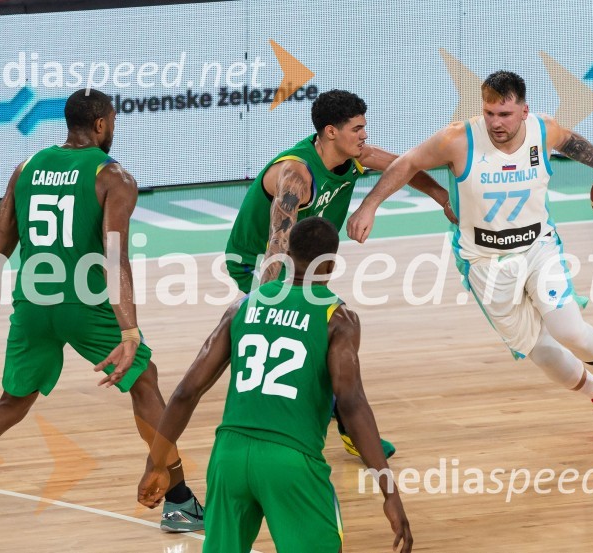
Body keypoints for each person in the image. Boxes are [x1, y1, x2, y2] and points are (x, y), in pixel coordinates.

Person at [0, 89, 202, 545]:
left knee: (11, 404)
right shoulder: (114, 177)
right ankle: (179, 501)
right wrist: (128, 329)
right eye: (113, 121)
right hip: (86, 304)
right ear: (102, 125)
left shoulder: (25, 169)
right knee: (144, 379)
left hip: (33, 303)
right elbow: (114, 259)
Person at [347, 71, 593, 443]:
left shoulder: (543, 130)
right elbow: (407, 163)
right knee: (542, 352)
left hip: (538, 248)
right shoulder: (456, 139)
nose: (496, 123)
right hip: (484, 262)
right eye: (489, 113)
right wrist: (370, 205)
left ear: (524, 111)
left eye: (505, 114)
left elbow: (573, 143)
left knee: (568, 328)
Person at [140, 217, 413, 553]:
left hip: (229, 457)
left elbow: (186, 391)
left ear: (286, 253)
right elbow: (352, 405)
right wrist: (389, 491)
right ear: (331, 264)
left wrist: (156, 463)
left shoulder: (242, 306)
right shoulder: (338, 319)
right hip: (292, 462)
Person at [225, 89, 456, 458]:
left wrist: (441, 197)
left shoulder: (355, 156)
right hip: (259, 263)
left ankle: (337, 421)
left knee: (327, 336)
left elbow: (406, 165)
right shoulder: (295, 175)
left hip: (307, 265)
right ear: (330, 132)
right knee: (319, 334)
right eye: (357, 129)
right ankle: (330, 425)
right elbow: (276, 245)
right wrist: (270, 307)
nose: (364, 136)